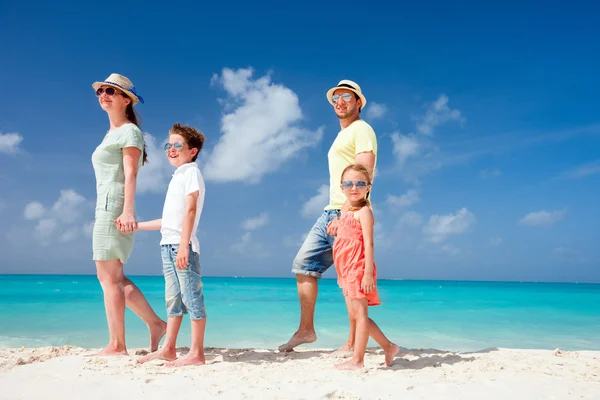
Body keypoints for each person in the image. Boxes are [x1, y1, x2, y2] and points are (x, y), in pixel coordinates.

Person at [279, 80, 377, 353]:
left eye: (347, 96)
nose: (340, 101)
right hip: (331, 211)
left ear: (358, 102)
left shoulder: (362, 129)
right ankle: (307, 330)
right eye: (336, 98)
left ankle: (353, 344)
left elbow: (365, 174)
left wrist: (345, 214)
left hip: (348, 212)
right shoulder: (341, 135)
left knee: (350, 281)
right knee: (304, 265)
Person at [91, 73, 167, 355]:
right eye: (101, 91)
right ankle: (156, 325)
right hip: (105, 205)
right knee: (113, 276)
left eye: (111, 91)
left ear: (126, 99)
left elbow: (131, 174)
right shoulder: (111, 133)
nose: (104, 95)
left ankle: (117, 344)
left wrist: (128, 211)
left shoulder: (130, 131)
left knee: (109, 276)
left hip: (115, 206)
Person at [136, 122, 208, 367]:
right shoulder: (177, 177)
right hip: (167, 246)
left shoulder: (191, 173)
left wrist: (185, 245)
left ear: (192, 151)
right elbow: (168, 221)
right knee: (173, 300)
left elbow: (190, 210)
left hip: (181, 246)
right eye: (169, 145)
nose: (171, 149)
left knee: (192, 298)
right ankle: (168, 349)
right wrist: (136, 226)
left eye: (178, 145)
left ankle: (197, 353)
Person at [332, 163, 399, 369]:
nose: (354, 187)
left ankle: (358, 360)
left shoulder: (364, 212)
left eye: (360, 183)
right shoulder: (346, 211)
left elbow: (369, 242)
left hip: (358, 268)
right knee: (355, 316)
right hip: (345, 269)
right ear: (341, 187)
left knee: (360, 316)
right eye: (349, 183)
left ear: (368, 187)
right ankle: (388, 347)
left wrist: (367, 273)